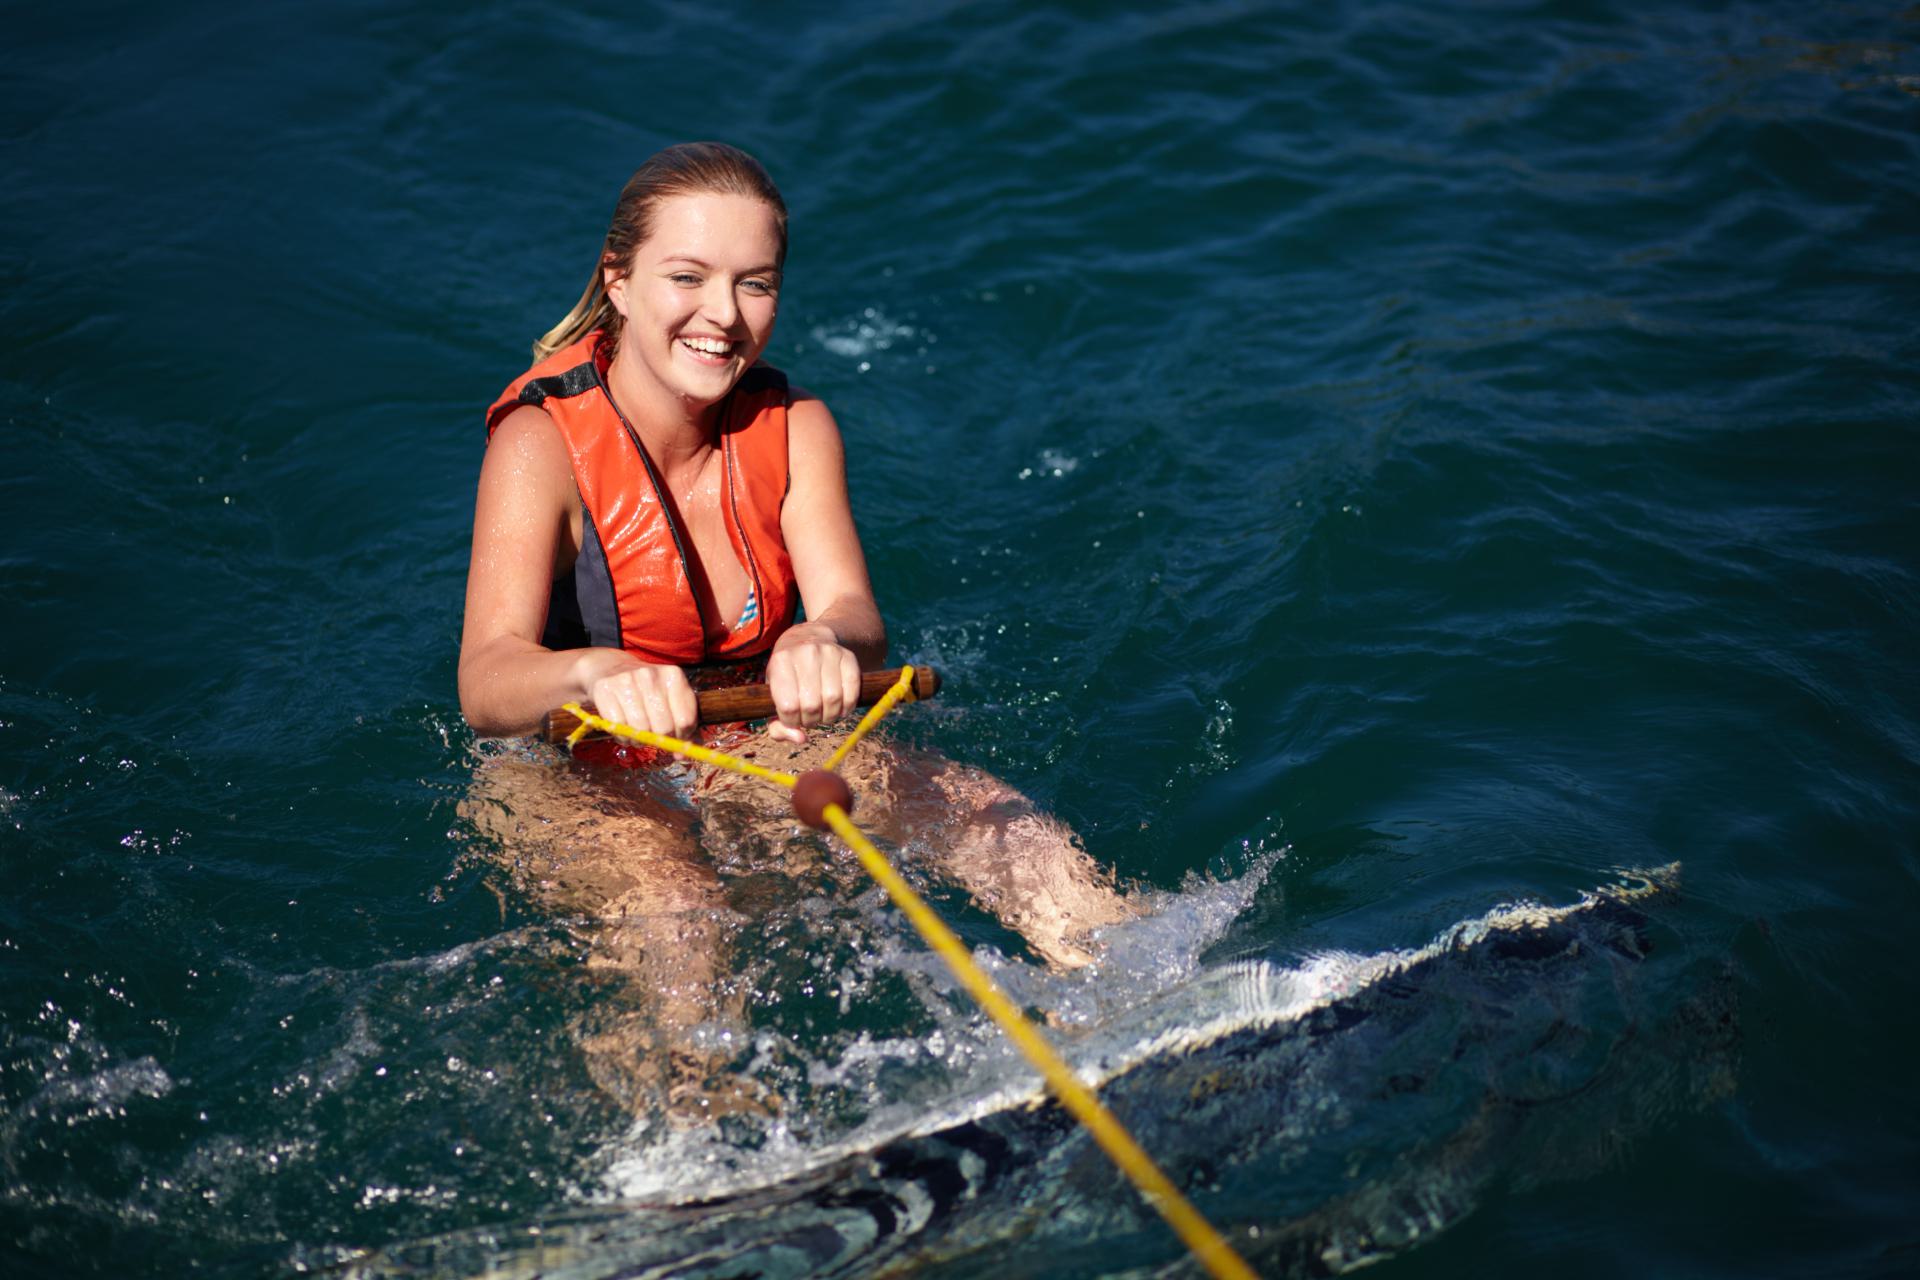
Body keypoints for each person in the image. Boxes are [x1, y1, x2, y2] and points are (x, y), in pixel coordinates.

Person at [457, 143, 1132, 1120]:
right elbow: (486, 680)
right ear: (621, 281)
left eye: (755, 283)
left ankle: (1162, 1005)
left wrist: (825, 641)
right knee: (680, 914)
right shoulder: (539, 445)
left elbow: (855, 615)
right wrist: (594, 673)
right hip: (576, 772)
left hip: (755, 741)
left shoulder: (798, 425)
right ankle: (692, 1141)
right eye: (688, 277)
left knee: (1003, 826)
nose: (723, 315)